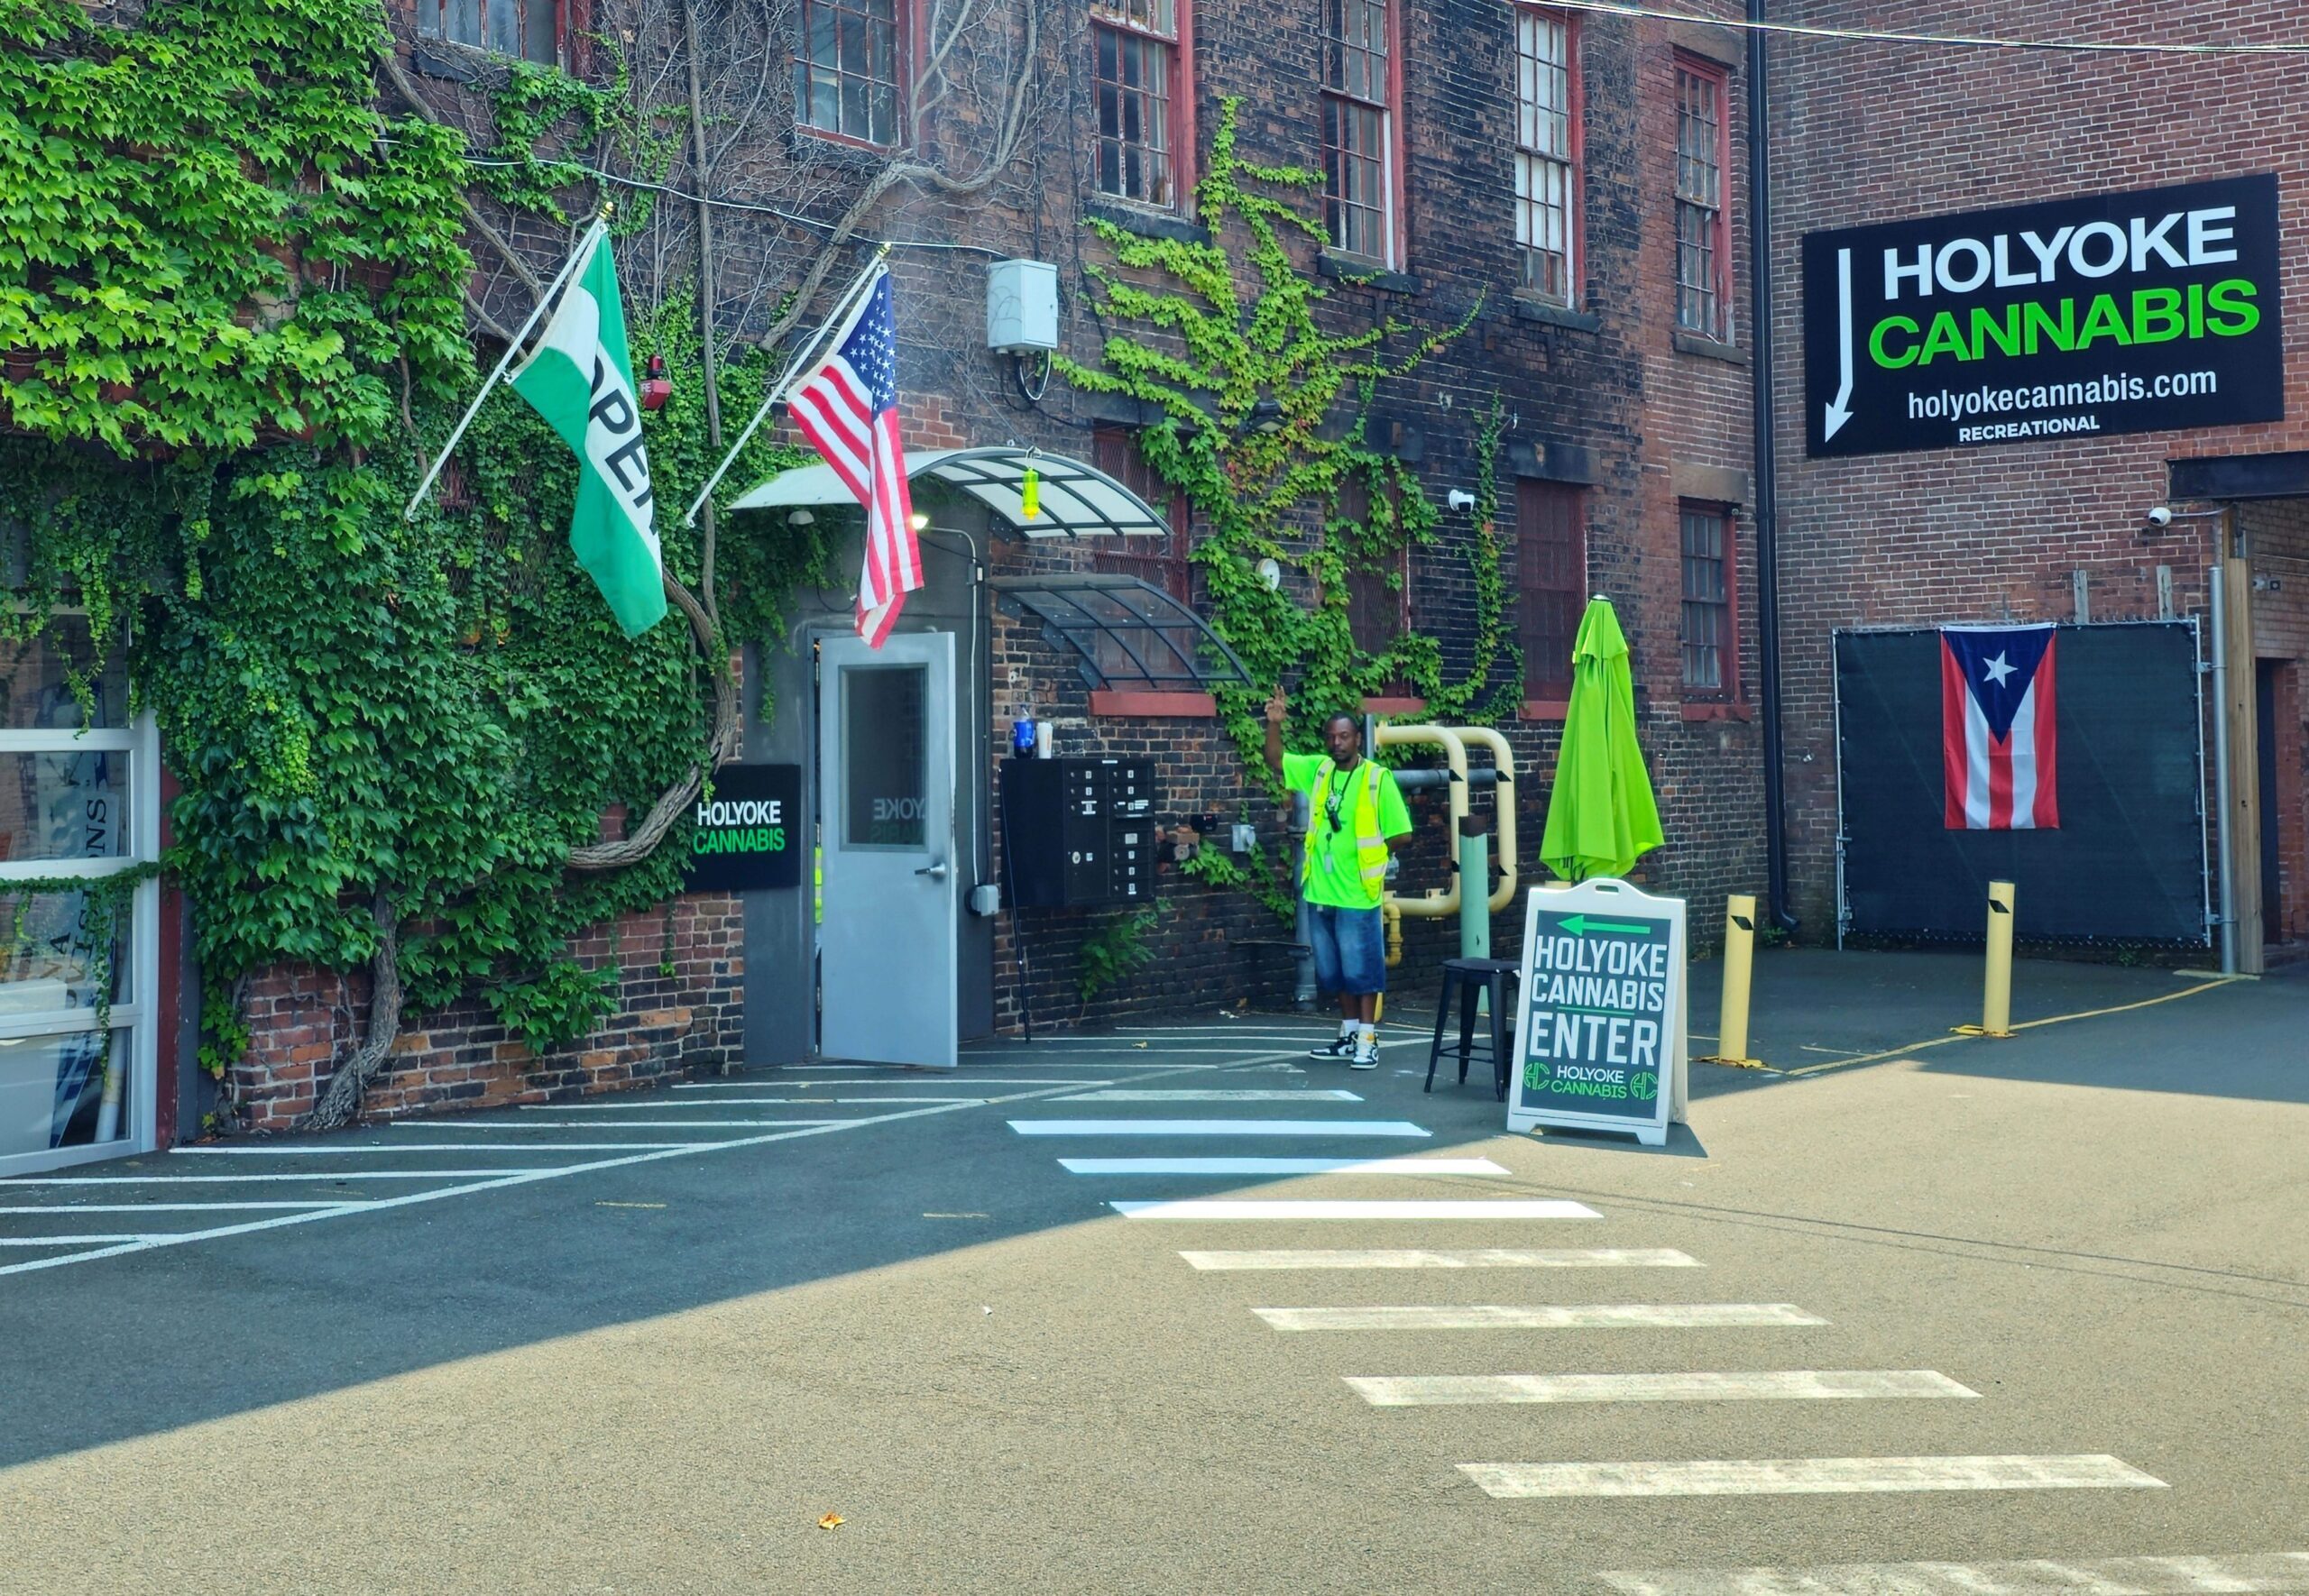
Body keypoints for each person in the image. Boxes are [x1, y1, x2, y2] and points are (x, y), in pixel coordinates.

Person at [1263, 688, 1412, 1069]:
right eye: (1331, 736)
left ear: (1357, 739)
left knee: (1363, 971)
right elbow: (1277, 760)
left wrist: (1375, 855)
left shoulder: (1377, 779)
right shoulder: (1320, 770)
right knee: (1333, 972)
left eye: (1344, 736)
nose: (1336, 743)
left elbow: (1402, 833)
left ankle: (1368, 1039)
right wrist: (1274, 724)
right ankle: (1348, 1034)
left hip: (1358, 893)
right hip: (1321, 891)